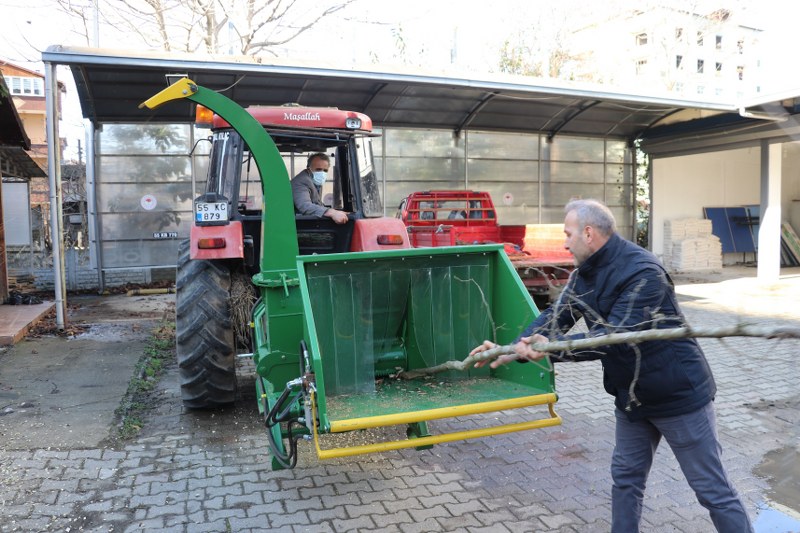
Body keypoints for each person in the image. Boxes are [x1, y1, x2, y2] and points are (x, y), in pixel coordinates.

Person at [470, 199, 753, 533]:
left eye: (568, 233)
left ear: (588, 233)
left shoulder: (643, 272)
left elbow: (613, 337)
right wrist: (517, 346)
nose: (564, 242)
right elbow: (557, 316)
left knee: (711, 491)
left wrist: (548, 352)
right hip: (631, 398)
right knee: (626, 482)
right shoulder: (584, 273)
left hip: (677, 396)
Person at [291, 153, 348, 224]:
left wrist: (335, 211)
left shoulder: (315, 181)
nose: (322, 173)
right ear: (309, 169)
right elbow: (305, 206)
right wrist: (330, 212)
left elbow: (317, 203)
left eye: (325, 170)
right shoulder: (301, 182)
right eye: (318, 169)